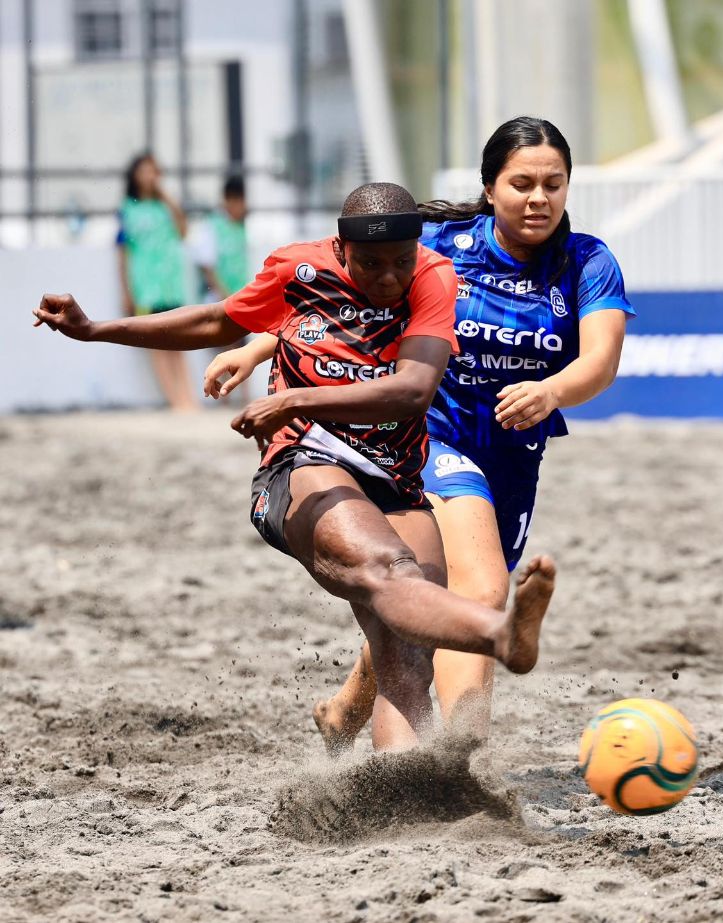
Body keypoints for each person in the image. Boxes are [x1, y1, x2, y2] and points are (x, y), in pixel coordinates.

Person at [33, 181, 556, 754]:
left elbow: (412, 390)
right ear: (341, 247)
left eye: (399, 262)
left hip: (396, 476)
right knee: (390, 568)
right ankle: (501, 636)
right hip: (302, 461)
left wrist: (294, 397)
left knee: (407, 662)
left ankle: (405, 792)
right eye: (370, 264)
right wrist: (95, 330)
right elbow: (218, 320)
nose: (388, 278)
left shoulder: (432, 275)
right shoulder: (298, 270)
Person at [205, 117, 634, 754]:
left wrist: (552, 391)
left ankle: (344, 711)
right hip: (427, 433)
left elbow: (599, 361)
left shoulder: (588, 260)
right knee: (481, 587)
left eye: (553, 183)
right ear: (490, 188)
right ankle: (460, 752)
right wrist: (260, 343)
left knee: (421, 596)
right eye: (522, 183)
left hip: (514, 450)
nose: (538, 198)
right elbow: (332, 295)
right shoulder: (438, 243)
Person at [117, 152, 196, 412]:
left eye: (153, 170)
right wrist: (127, 292)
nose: (149, 176)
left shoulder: (165, 206)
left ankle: (188, 399)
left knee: (179, 341)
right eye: (144, 171)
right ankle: (175, 400)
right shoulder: (128, 209)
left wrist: (166, 195)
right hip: (146, 288)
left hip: (171, 284)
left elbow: (184, 231)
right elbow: (123, 253)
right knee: (157, 345)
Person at [193, 174, 253, 402]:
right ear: (230, 200)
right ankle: (225, 397)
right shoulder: (213, 226)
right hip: (221, 297)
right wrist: (223, 294)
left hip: (240, 295)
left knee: (241, 344)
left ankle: (243, 396)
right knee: (225, 347)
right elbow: (207, 265)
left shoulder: (240, 228)